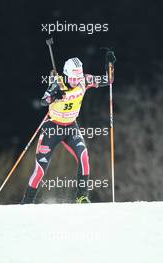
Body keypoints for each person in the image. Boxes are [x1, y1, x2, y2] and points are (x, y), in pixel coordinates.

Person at [22, 53, 115, 204]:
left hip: (71, 127)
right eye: (72, 79)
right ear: (66, 75)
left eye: (77, 79)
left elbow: (109, 79)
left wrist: (109, 65)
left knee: (84, 158)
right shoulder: (57, 83)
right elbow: (43, 101)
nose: (75, 82)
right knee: (40, 168)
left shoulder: (84, 80)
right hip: (53, 128)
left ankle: (81, 196)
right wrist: (54, 96)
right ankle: (26, 202)